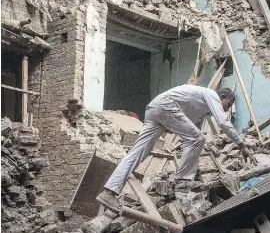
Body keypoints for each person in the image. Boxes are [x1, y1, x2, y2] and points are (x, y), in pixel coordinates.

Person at [97, 84, 255, 211]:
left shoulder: (202, 108)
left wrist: (196, 170)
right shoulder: (211, 95)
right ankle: (182, 181)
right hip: (167, 107)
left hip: (155, 108)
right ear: (222, 97)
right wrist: (241, 145)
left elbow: (192, 136)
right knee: (198, 138)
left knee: (137, 153)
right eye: (229, 104)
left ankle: (109, 192)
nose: (228, 108)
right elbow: (223, 123)